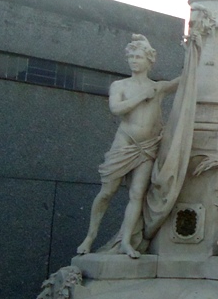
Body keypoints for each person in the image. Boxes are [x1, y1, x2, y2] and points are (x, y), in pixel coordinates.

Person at [77, 35, 179, 258]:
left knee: (137, 194)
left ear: (149, 61)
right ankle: (90, 237)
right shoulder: (120, 85)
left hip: (147, 147)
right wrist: (142, 96)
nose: (134, 60)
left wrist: (199, 53)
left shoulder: (158, 88)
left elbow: (180, 83)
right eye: (131, 56)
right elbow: (116, 108)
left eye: (138, 56)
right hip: (125, 144)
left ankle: (125, 240)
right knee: (107, 192)